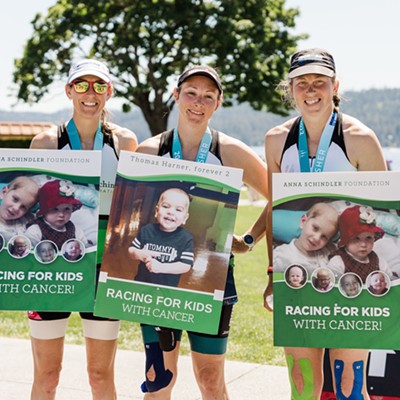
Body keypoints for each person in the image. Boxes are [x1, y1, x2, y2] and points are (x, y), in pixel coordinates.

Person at [135, 65, 268, 399]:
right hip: (156, 280)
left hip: (212, 277)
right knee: (158, 377)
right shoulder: (148, 152)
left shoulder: (231, 151)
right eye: (191, 93)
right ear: (176, 95)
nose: (198, 102)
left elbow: (282, 197)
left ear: (218, 102)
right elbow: (131, 216)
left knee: (210, 379)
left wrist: (248, 239)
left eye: (208, 96)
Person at [264, 48, 387, 399]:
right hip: (296, 277)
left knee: (349, 388)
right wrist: (271, 275)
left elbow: (384, 209)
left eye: (320, 81)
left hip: (353, 279)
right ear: (290, 88)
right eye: (302, 83)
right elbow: (274, 208)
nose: (311, 90)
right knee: (302, 387)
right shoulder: (277, 140)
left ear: (336, 85)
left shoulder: (360, 139)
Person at [28, 58, 138, 400]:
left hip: (103, 270)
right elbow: (30, 209)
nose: (90, 93)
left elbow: (132, 207)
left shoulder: (125, 142)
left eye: (99, 86)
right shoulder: (46, 142)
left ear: (110, 92)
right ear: (68, 91)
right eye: (82, 85)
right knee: (47, 375)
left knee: (99, 375)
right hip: (52, 267)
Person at [129, 187, 194, 287]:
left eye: (178, 209)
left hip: (166, 290)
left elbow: (186, 266)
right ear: (156, 211)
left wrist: (162, 267)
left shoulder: (186, 238)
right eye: (166, 206)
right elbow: (131, 250)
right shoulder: (147, 230)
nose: (171, 212)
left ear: (185, 218)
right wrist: (138, 253)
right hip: (140, 284)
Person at [327, 204, 393, 282]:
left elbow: (390, 282)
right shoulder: (338, 262)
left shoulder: (379, 261)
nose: (363, 245)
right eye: (356, 238)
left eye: (368, 238)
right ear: (346, 240)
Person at [273, 202, 339, 273]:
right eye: (315, 228)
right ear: (303, 221)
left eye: (324, 237)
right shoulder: (282, 256)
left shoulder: (328, 250)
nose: (316, 238)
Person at [25, 179, 87, 250]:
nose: (61, 215)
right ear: (44, 211)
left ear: (72, 209)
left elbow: (85, 249)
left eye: (66, 209)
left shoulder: (75, 230)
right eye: (55, 209)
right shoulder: (35, 231)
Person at [0, 176, 39, 241]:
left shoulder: (26, 219)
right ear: (4, 192)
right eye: (15, 199)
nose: (16, 208)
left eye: (23, 207)